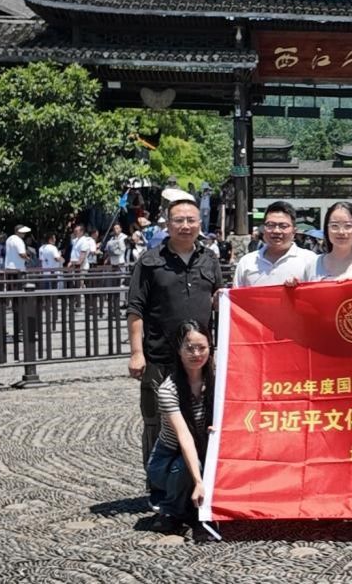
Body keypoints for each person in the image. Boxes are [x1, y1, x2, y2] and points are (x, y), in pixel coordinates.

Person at [127, 195, 223, 498]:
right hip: (160, 357)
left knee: (202, 421)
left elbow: (220, 303)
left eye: (191, 220)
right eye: (178, 220)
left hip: (199, 360)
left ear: (200, 223)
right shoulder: (150, 261)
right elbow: (135, 309)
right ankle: (158, 488)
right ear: (167, 225)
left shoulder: (209, 259)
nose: (185, 225)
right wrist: (136, 353)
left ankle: (200, 485)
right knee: (157, 424)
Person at [146, 319, 219, 542]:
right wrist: (199, 482)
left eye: (202, 347)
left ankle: (196, 508)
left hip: (206, 452)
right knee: (191, 466)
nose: (196, 354)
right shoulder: (168, 390)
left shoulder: (219, 382)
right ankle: (173, 509)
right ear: (178, 350)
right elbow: (184, 437)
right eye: (189, 348)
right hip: (171, 458)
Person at [287, 201, 352, 284]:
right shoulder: (313, 264)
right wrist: (294, 286)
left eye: (348, 226)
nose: (341, 232)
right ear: (327, 229)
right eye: (335, 226)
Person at [233, 201, 317, 287]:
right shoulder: (247, 262)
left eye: (283, 226)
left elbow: (317, 292)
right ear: (263, 229)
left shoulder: (309, 260)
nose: (276, 231)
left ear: (294, 231)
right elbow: (235, 294)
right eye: (270, 225)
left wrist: (299, 289)